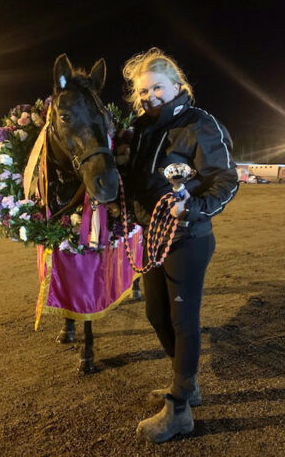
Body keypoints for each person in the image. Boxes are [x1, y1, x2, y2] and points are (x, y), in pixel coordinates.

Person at [117, 47, 238, 443]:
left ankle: (179, 409)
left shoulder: (200, 124)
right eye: (143, 91)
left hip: (188, 239)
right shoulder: (138, 129)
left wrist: (192, 208)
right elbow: (134, 183)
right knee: (156, 314)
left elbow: (225, 180)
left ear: (177, 85)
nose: (150, 95)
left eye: (157, 87)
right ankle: (186, 383)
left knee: (183, 320)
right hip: (151, 239)